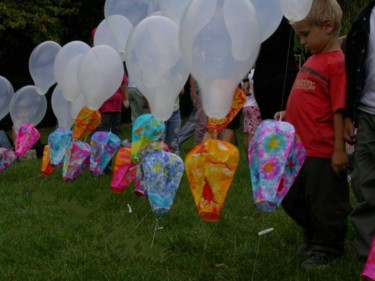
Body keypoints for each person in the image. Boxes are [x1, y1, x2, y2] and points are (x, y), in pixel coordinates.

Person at [274, 0, 352, 269]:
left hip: (322, 151)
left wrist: (339, 149)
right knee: (292, 196)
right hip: (299, 149)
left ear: (327, 26)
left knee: (325, 201)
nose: (302, 42)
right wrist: (288, 112)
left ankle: (329, 245)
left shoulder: (336, 62)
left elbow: (339, 107)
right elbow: (308, 96)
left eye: (305, 34)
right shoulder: (314, 58)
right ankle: (313, 233)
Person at [344, 0, 375, 262]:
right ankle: (369, 258)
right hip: (367, 113)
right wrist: (347, 115)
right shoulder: (364, 21)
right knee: (364, 182)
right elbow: (351, 73)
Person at [253, 17, 298, 120]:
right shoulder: (287, 13)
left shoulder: (257, 16)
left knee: (268, 121)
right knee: (288, 121)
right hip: (285, 73)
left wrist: (246, 78)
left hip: (262, 75)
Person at [242, 67, 261, 157]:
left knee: (247, 134)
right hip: (255, 106)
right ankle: (252, 157)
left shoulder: (245, 74)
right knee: (253, 135)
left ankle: (248, 157)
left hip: (246, 106)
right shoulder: (255, 73)